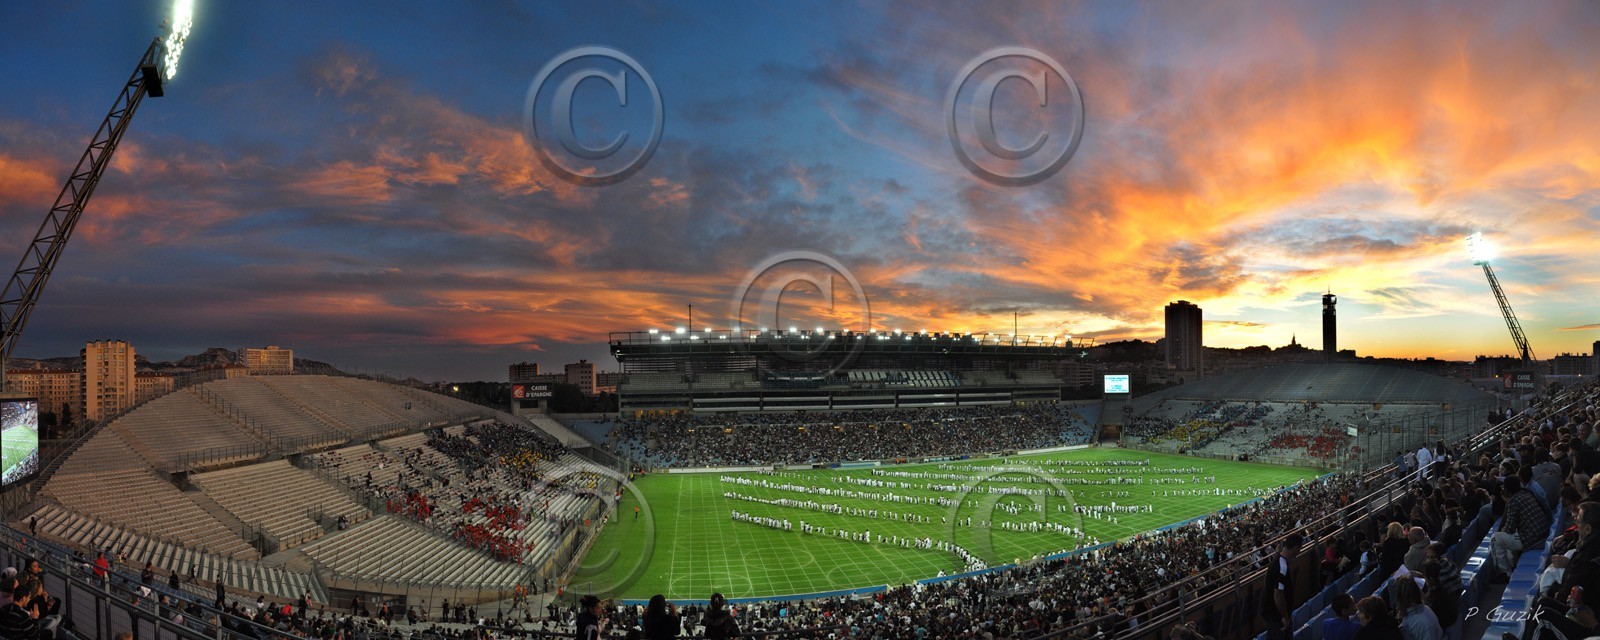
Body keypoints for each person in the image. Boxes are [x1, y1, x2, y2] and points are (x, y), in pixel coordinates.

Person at [1491, 476, 1554, 583]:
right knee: (1509, 536)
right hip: (1543, 535)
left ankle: (1505, 573)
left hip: (1534, 540)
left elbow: (1509, 529)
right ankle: (1512, 565)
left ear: (1507, 489)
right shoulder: (1527, 493)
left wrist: (1507, 503)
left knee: (1495, 538)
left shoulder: (1513, 501)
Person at [1260, 533, 1304, 640]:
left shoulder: (1278, 560)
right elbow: (1278, 594)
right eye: (1300, 548)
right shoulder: (1282, 566)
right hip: (1276, 616)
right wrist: (1284, 616)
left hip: (1275, 614)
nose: (1300, 551)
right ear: (1295, 547)